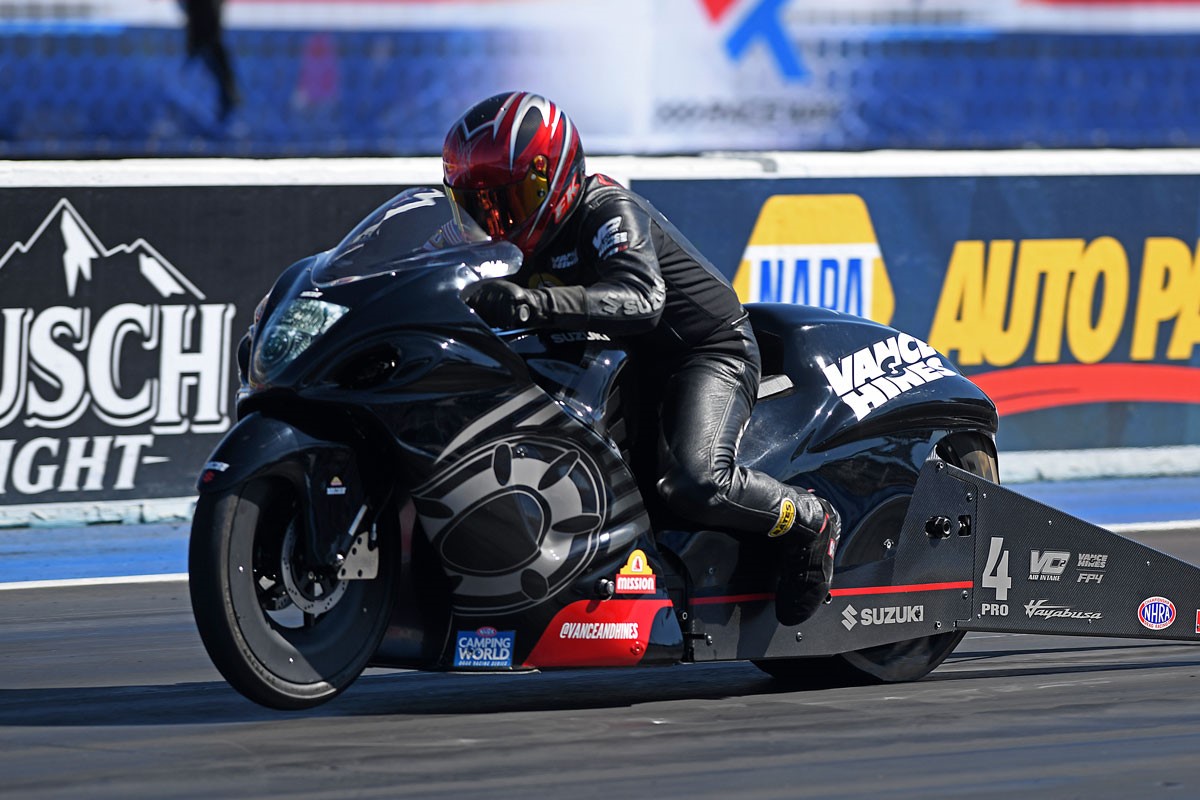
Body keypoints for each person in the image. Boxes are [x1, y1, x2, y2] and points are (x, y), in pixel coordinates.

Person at [442, 91, 840, 625]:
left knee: (694, 483)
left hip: (703, 351)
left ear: (553, 177)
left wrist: (534, 303)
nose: (496, 222)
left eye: (511, 201)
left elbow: (642, 300)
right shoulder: (494, 243)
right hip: (620, 361)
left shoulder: (607, 210)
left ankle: (810, 519)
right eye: (479, 207)